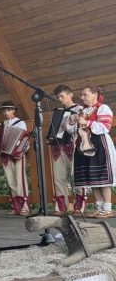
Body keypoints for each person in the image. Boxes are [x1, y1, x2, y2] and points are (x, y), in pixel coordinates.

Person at [67, 85, 116, 218]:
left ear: (95, 94)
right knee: (92, 178)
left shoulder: (103, 108)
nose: (82, 97)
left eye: (85, 94)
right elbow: (73, 130)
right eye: (82, 95)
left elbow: (105, 127)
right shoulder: (84, 110)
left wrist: (87, 123)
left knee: (102, 178)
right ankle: (99, 208)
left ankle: (107, 208)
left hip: (100, 145)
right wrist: (73, 122)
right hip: (84, 145)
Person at [48, 85, 84, 215]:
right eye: (58, 97)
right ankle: (61, 206)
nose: (60, 99)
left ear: (70, 95)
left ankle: (79, 205)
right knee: (58, 177)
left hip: (73, 144)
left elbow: (81, 127)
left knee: (76, 175)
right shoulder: (58, 112)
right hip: (58, 146)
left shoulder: (80, 109)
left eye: (62, 96)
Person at [0, 101, 30, 216]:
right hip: (5, 154)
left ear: (13, 110)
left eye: (8, 110)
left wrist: (22, 150)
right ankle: (16, 207)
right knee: (10, 180)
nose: (5, 112)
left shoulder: (20, 123)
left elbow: (25, 138)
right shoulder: (1, 125)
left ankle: (25, 206)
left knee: (20, 179)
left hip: (17, 154)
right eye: (4, 110)